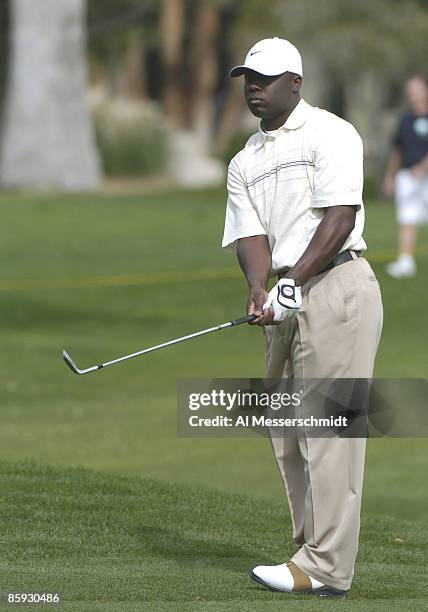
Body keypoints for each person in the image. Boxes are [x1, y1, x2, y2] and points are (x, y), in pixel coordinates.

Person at [222, 38, 383, 599]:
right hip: (286, 297)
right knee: (286, 431)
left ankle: (326, 566)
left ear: (296, 83)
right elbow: (250, 235)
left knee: (328, 431)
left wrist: (294, 281)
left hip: (336, 285)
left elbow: (341, 216)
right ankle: (310, 553)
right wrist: (260, 288)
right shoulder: (245, 160)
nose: (254, 88)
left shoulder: (332, 133)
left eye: (265, 79)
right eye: (248, 78)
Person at [383, 75, 428, 278]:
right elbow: (397, 150)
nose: (412, 95)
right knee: (407, 218)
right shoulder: (405, 120)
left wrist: (423, 167)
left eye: (416, 90)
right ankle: (405, 261)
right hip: (407, 177)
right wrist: (390, 177)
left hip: (424, 176)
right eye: (409, 91)